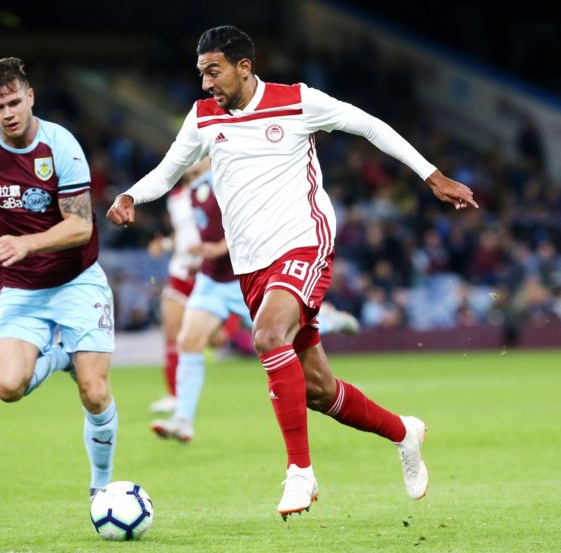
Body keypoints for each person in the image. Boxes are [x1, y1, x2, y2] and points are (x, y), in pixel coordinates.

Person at [107, 26, 478, 519]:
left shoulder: (297, 101)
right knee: (319, 391)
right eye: (201, 74)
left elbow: (369, 125)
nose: (206, 84)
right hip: (250, 265)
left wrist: (431, 175)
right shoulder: (202, 117)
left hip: (304, 241)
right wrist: (131, 194)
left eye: (214, 72)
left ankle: (300, 471)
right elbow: (168, 171)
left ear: (244, 67)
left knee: (266, 336)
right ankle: (404, 432)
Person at [0, 57, 117, 500]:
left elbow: (81, 227)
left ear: (30, 97)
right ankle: (59, 356)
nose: (8, 114)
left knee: (95, 392)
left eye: (15, 102)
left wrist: (28, 244)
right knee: (6, 387)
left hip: (77, 281)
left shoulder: (61, 147)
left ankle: (101, 487)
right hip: (21, 289)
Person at [151, 157, 253, 443]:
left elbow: (250, 223)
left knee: (286, 334)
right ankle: (182, 418)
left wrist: (218, 247)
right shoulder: (185, 194)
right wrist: (172, 246)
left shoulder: (228, 181)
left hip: (242, 277)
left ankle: (323, 318)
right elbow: (189, 235)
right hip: (206, 278)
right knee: (185, 339)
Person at [147, 179, 201, 415]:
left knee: (216, 339)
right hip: (181, 271)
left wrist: (210, 248)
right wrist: (166, 244)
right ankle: (174, 395)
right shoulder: (176, 197)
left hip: (209, 272)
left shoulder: (218, 185)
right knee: (171, 331)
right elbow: (182, 235)